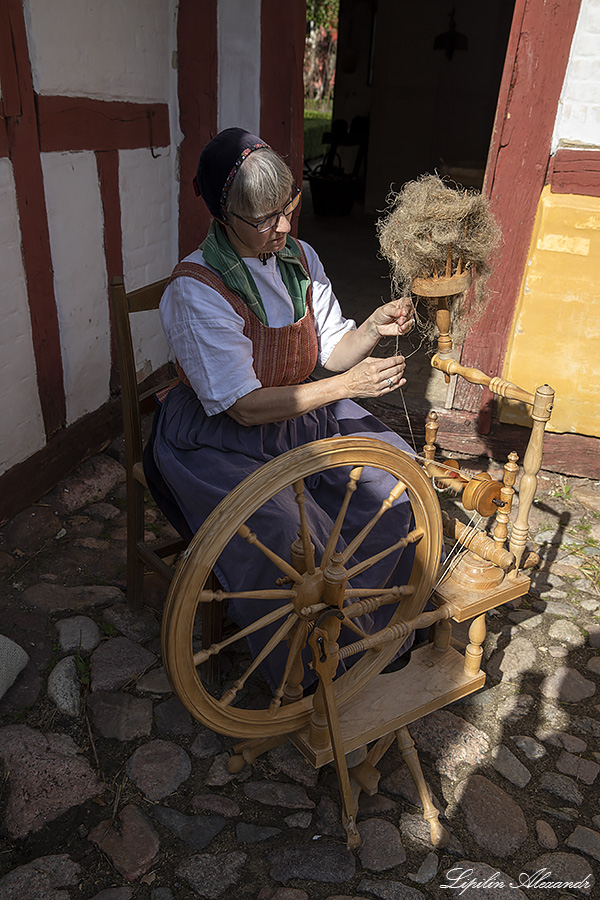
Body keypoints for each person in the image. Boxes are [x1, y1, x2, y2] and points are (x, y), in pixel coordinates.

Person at [152, 127, 418, 690]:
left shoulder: (299, 258)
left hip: (301, 415)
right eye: (265, 219)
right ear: (226, 217)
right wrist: (346, 387)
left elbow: (332, 349)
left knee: (392, 480)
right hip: (221, 438)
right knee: (290, 540)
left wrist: (371, 328)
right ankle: (315, 666)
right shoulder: (196, 289)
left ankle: (370, 622)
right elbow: (245, 408)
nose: (283, 227)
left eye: (287, 208)